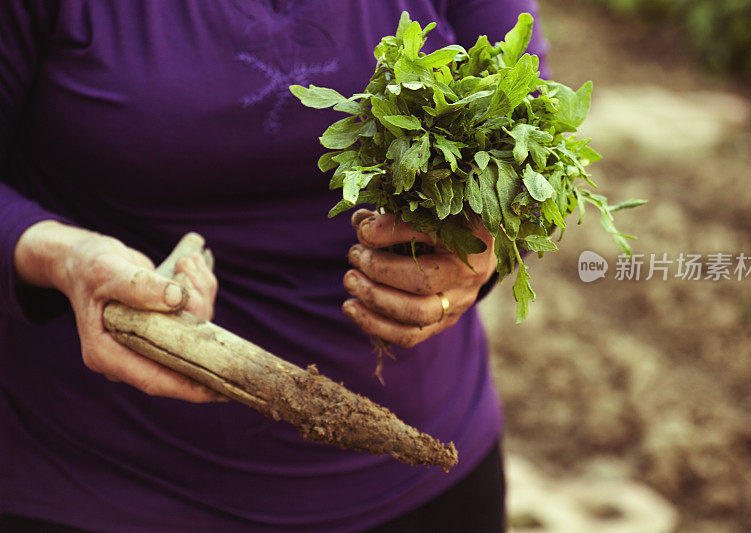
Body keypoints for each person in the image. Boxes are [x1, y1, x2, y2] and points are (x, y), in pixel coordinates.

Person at [0, 1, 549, 531]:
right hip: (104, 485)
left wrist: (486, 245)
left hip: (422, 474)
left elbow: (533, 145)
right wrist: (62, 255)